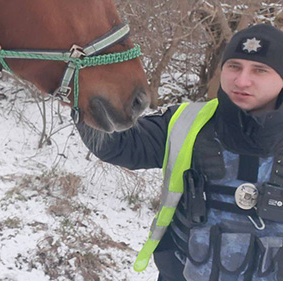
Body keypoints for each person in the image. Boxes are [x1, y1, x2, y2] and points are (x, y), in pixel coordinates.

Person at [78, 24, 283, 281]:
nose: (241, 80)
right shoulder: (186, 122)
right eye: (234, 67)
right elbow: (118, 145)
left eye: (259, 70)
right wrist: (82, 90)